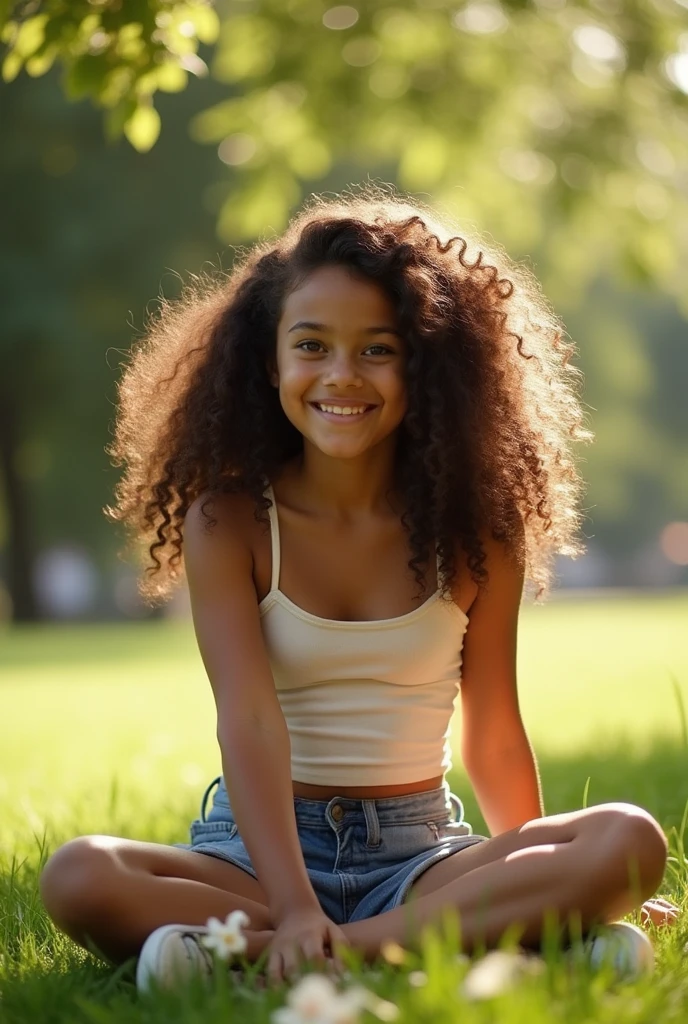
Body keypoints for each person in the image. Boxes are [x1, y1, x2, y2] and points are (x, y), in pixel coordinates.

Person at [39, 188, 673, 990]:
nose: (342, 375)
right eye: (312, 345)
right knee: (78, 874)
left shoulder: (477, 533)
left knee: (628, 839)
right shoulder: (230, 520)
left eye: (378, 349)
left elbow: (495, 730)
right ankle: (471, 940)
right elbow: (249, 721)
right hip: (257, 859)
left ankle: (300, 953)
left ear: (425, 364)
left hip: (419, 854)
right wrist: (297, 901)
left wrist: (548, 869)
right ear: (270, 362)